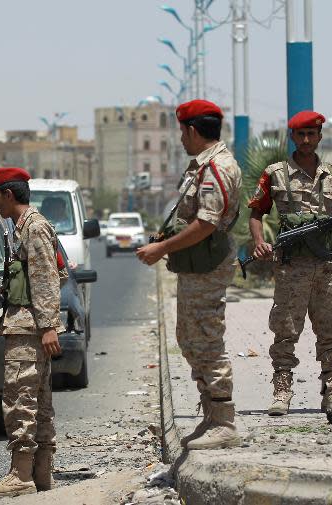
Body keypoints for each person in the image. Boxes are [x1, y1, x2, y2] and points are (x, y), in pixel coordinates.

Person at [247, 110, 332, 425]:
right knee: (286, 328)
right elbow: (256, 212)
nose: (305, 140)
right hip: (291, 266)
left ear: (319, 136)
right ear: (292, 136)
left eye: (311, 134)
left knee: (329, 328)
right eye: (300, 134)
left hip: (326, 264)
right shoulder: (275, 174)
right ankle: (282, 389)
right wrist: (259, 242)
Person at [136, 99, 243, 450]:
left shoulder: (216, 168)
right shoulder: (201, 166)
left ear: (193, 130)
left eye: (182, 132)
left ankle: (224, 422)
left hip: (208, 267)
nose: (180, 139)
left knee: (206, 338)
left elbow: (206, 223)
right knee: (189, 336)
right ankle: (211, 416)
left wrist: (161, 249)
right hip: (196, 266)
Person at [0, 166, 65, 498]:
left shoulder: (34, 229)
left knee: (21, 400)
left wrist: (47, 327)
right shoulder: (23, 228)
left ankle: (21, 475)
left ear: (9, 194)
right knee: (37, 400)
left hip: (29, 330)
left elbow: (47, 278)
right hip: (28, 327)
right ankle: (41, 475)